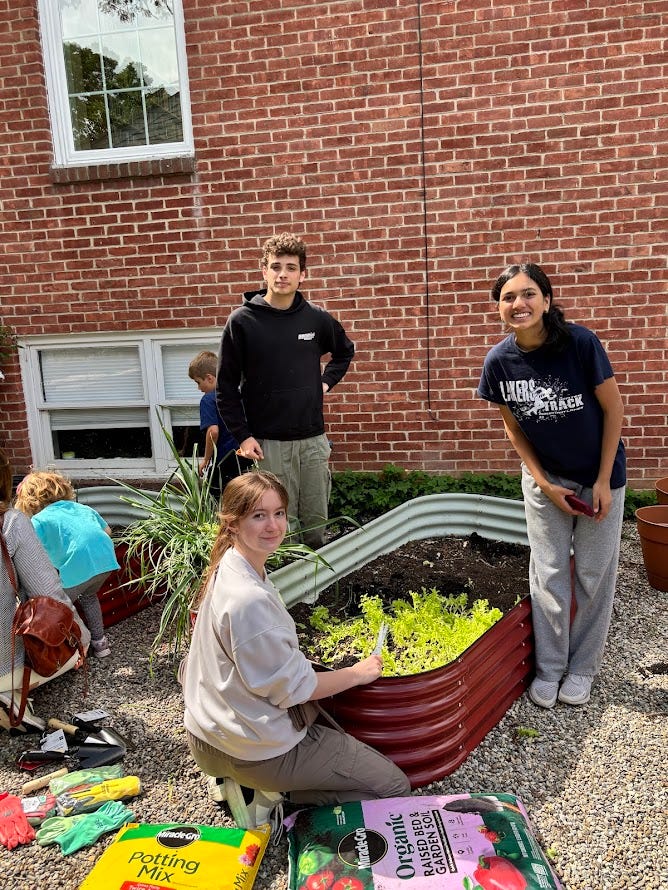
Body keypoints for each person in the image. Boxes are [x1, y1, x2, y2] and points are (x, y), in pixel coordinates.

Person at [182, 471, 410, 829]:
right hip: (257, 754)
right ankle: (279, 798)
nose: (273, 525)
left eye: (279, 513)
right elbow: (294, 689)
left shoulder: (228, 566)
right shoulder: (248, 600)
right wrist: (359, 672)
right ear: (233, 522)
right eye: (259, 515)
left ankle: (250, 784)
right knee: (393, 786)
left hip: (208, 738)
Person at [477, 263, 626, 709]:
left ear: (545, 300)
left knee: (594, 575)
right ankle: (550, 669)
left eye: (528, 294)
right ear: (498, 307)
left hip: (597, 476)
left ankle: (582, 669)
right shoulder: (499, 362)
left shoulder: (580, 343)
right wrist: (543, 483)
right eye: (508, 297)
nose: (518, 304)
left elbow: (614, 413)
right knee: (548, 573)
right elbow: (514, 431)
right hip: (545, 480)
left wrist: (601, 481)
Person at [216, 233, 354, 549]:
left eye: (291, 268)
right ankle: (279, 588)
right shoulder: (242, 321)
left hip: (312, 440)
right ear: (264, 271)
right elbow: (225, 388)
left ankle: (315, 590)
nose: (282, 274)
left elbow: (344, 351)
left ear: (302, 275)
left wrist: (325, 382)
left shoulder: (317, 319)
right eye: (275, 267)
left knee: (316, 521)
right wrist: (243, 436)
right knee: (276, 525)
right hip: (269, 444)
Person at [0, 452, 90, 732]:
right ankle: (9, 697)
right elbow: (47, 594)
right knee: (72, 649)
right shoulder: (11, 522)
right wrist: (82, 639)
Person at [15, 472, 119, 659]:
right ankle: (101, 644)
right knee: (89, 597)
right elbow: (107, 531)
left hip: (78, 569)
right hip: (105, 562)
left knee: (60, 606)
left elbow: (31, 551)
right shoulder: (81, 508)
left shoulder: (39, 520)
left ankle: (77, 648)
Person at [187, 350, 252, 502]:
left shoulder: (208, 400)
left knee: (217, 501)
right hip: (244, 458)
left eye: (198, 382)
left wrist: (206, 459)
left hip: (224, 461)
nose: (199, 388)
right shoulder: (237, 394)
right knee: (243, 500)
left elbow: (213, 431)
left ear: (209, 378)